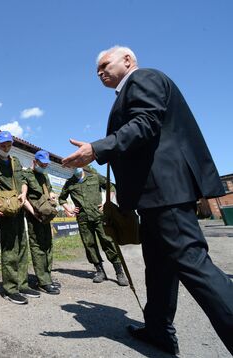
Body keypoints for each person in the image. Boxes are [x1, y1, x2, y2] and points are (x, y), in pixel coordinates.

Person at [63, 45, 233, 355]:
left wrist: (96, 149)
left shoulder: (143, 78)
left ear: (127, 60)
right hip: (153, 196)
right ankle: (158, 331)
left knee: (194, 265)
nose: (99, 72)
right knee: (158, 267)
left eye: (104, 64)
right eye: (96, 70)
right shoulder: (129, 91)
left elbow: (145, 124)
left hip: (165, 192)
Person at [0, 131, 40, 304]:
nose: (6, 148)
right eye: (2, 145)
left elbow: (23, 181)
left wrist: (23, 194)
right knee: (9, 248)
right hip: (5, 210)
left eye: (8, 145)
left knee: (22, 245)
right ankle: (10, 288)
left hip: (18, 208)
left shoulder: (16, 161)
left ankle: (22, 284)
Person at [58, 167, 128, 286]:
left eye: (78, 166)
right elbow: (61, 198)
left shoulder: (95, 177)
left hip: (99, 216)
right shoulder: (69, 183)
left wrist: (107, 202)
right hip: (83, 219)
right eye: (73, 167)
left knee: (107, 241)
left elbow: (111, 186)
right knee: (89, 244)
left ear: (82, 166)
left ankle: (119, 272)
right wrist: (68, 209)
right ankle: (100, 271)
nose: (76, 168)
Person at [22, 150, 61, 294]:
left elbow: (48, 192)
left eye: (45, 165)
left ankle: (47, 277)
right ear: (34, 162)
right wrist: (34, 214)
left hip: (45, 216)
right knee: (38, 247)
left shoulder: (44, 176)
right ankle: (42, 282)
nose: (43, 166)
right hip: (34, 216)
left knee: (48, 245)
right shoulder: (25, 175)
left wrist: (52, 197)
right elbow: (23, 198)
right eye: (41, 164)